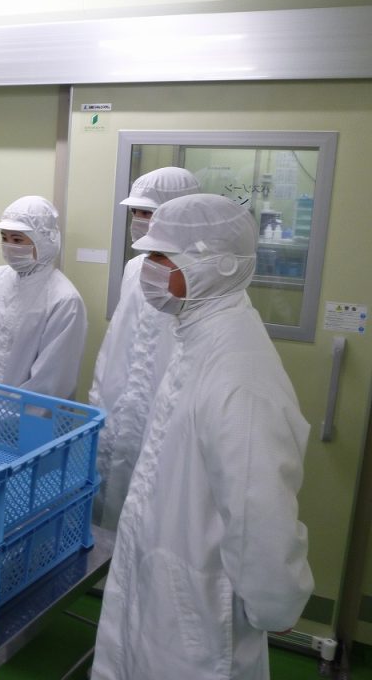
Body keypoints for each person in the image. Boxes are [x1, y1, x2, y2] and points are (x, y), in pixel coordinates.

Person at [92, 194, 314, 680]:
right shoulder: (197, 334)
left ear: (217, 265)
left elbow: (260, 514)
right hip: (167, 584)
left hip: (197, 612)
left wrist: (275, 602)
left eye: (161, 256)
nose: (148, 269)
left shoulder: (239, 375)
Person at [89, 166, 200, 531]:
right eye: (136, 212)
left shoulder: (198, 274)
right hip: (122, 407)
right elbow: (118, 342)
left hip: (163, 409)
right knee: (111, 495)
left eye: (148, 212)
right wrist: (101, 398)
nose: (139, 221)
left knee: (154, 503)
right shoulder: (135, 267)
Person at [0, 195, 86, 399]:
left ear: (43, 240)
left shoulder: (64, 300)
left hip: (27, 414)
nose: (9, 246)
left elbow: (51, 379)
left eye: (17, 239)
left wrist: (7, 412)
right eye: (4, 238)